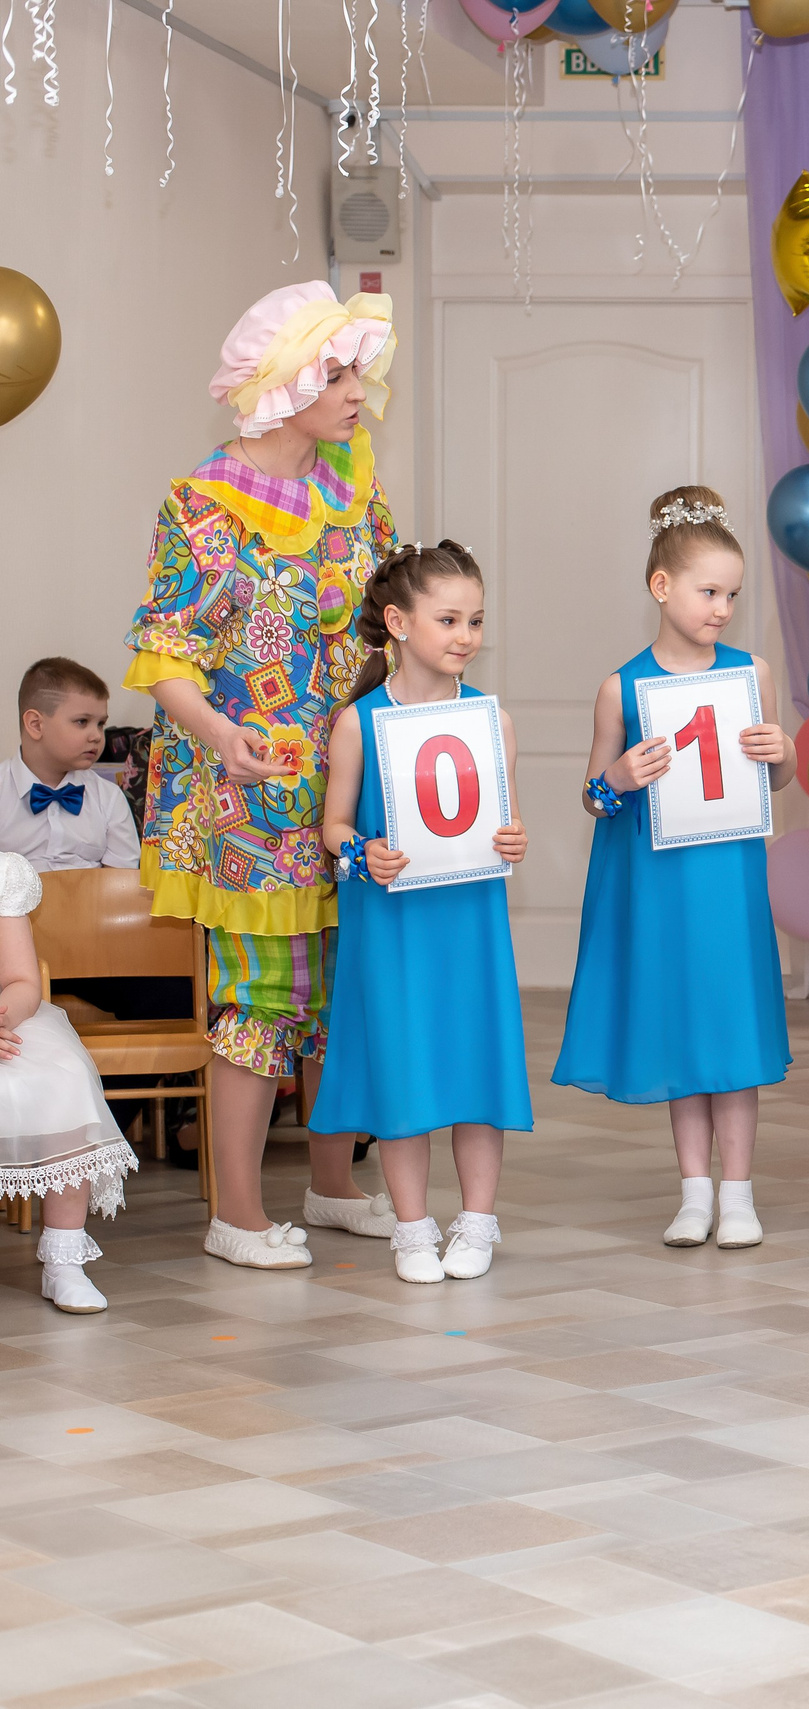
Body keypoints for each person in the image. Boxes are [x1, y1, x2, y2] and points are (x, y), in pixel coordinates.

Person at [126, 282, 402, 1267]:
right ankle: (234, 1212)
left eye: (356, 369)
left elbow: (384, 624)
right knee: (260, 991)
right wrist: (225, 733)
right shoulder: (203, 502)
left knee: (334, 984)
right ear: (282, 383)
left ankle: (330, 1184)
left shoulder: (352, 493)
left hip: (341, 785)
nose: (356, 389)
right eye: (334, 372)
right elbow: (164, 654)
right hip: (245, 796)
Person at [553, 487, 792, 1251]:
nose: (722, 607)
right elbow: (594, 797)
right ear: (663, 588)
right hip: (658, 881)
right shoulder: (620, 687)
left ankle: (740, 1191)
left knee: (730, 1023)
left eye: (732, 594)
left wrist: (780, 756)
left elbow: (774, 784)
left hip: (726, 877)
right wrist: (618, 776)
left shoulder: (750, 672)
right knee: (680, 1025)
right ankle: (694, 1192)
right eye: (709, 591)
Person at [308, 543, 532, 1285]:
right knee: (405, 1067)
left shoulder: (489, 718)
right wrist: (358, 851)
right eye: (448, 619)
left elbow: (503, 821)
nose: (465, 634)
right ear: (400, 623)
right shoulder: (359, 723)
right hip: (394, 927)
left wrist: (512, 836)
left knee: (475, 1062)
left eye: (475, 619)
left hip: (467, 920)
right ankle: (411, 1225)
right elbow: (333, 824)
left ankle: (477, 1218)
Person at [0, 851, 137, 1312]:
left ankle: (64, 1259)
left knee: (62, 1077)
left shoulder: (4, 873)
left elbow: (21, 980)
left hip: (4, 1025)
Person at [2, 659, 140, 872]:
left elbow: (120, 885)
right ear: (36, 725)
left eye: (100, 724)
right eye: (82, 722)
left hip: (92, 904)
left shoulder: (109, 798)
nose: (96, 736)